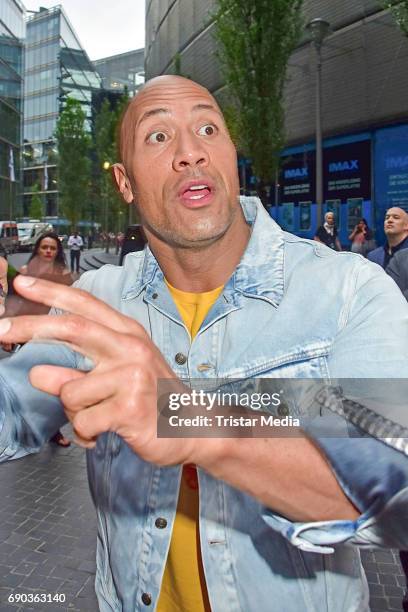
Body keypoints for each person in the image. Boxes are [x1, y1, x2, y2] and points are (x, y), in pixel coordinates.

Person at [0, 75, 407, 612]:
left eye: (207, 128)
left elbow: (395, 491)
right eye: (159, 137)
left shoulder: (347, 290)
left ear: (231, 156)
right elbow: (13, 410)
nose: (190, 152)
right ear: (124, 183)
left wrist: (192, 418)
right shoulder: (99, 302)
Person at [3, 231, 73, 448]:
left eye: (52, 248)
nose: (48, 251)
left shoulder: (64, 274)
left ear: (58, 251)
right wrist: (8, 335)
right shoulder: (25, 273)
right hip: (28, 333)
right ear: (37, 249)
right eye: (44, 247)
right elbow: (14, 304)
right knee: (27, 381)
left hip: (52, 335)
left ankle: (50, 430)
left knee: (52, 386)